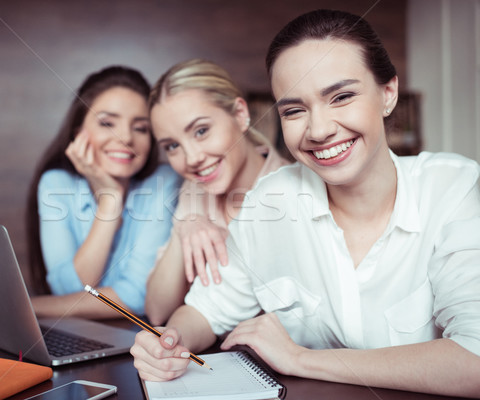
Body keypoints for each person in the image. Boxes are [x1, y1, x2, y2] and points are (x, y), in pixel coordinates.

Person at [130, 9, 480, 397]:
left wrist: (299, 359)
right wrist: (170, 341)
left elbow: (474, 361)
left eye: (342, 97)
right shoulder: (268, 203)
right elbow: (205, 311)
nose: (318, 130)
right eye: (294, 110)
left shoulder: (452, 187)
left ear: (388, 93)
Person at [26, 65, 181, 319]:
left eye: (140, 128)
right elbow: (68, 290)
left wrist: (29, 307)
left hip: (138, 339)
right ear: (78, 133)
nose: (125, 138)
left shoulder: (164, 182)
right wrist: (110, 204)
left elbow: (138, 297)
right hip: (76, 334)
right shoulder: (56, 185)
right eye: (108, 123)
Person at [143, 59, 291, 325]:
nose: (192, 158)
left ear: (240, 114)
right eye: (172, 146)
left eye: (201, 131)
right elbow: (157, 311)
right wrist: (184, 227)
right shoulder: (195, 188)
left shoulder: (293, 192)